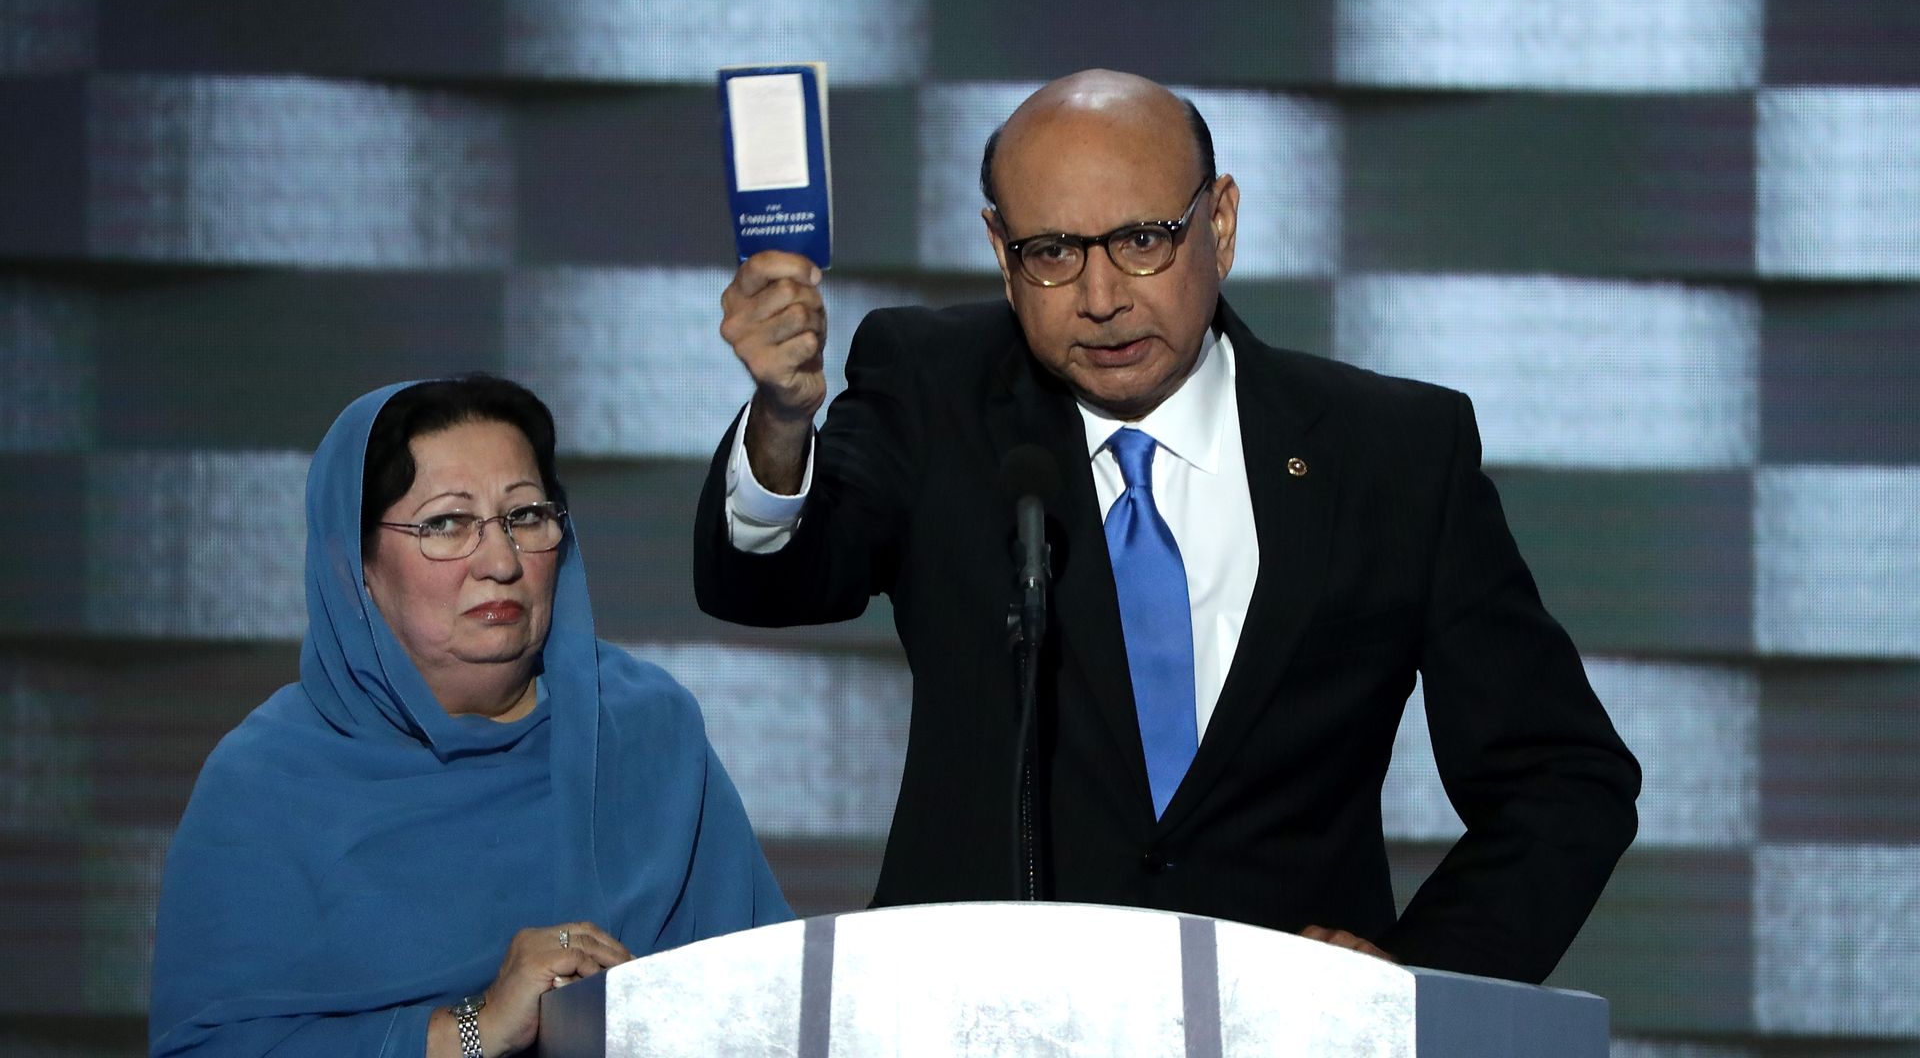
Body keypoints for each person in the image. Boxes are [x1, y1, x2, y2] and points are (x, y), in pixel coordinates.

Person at [695, 69, 1640, 985]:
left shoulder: (1390, 452)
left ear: (1219, 223)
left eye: (1143, 239)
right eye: (1053, 252)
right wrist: (782, 423)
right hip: (983, 1021)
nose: (1102, 297)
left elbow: (1561, 780)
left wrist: (1409, 986)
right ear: (999, 249)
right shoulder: (935, 386)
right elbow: (774, 580)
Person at [151, 376, 790, 1057]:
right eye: (447, 524)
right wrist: (473, 1030)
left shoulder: (648, 730)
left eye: (526, 516)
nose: (501, 561)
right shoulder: (265, 784)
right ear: (355, 564)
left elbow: (774, 1006)